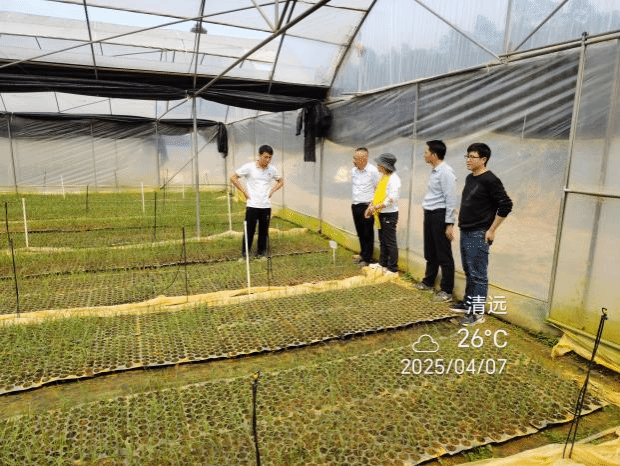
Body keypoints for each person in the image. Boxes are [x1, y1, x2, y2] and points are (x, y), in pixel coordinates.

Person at [452, 143, 513, 326]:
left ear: (483, 159)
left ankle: (477, 313)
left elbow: (506, 204)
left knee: (478, 275)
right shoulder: (470, 178)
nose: (468, 160)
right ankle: (468, 304)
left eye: (472, 157)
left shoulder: (490, 180)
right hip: (466, 230)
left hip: (478, 233)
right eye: (467, 156)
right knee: (469, 271)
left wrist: (492, 229)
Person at [414, 140, 457, 302]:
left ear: (434, 155)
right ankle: (428, 282)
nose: (424, 155)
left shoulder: (446, 172)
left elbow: (451, 199)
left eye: (426, 152)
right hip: (430, 214)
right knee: (430, 251)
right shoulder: (435, 171)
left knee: (443, 253)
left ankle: (447, 290)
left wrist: (449, 224)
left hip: (440, 215)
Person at [230, 144, 284, 260]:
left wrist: (272, 191)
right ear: (259, 156)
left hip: (266, 206)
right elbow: (233, 178)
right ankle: (245, 254)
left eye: (270, 157)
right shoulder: (249, 167)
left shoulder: (272, 169)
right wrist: (244, 192)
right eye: (265, 157)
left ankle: (261, 253)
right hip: (252, 205)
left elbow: (281, 181)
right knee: (249, 230)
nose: (268, 160)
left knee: (263, 231)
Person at [365, 153, 401, 276]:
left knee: (390, 241)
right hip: (380, 213)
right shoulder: (384, 177)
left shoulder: (393, 179)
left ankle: (393, 269)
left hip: (389, 214)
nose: (377, 166)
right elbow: (378, 194)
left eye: (379, 164)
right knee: (383, 240)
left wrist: (375, 207)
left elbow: (391, 199)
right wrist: (371, 206)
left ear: (384, 166)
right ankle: (382, 263)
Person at [351, 147, 380, 267]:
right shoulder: (353, 171)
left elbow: (378, 188)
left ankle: (368, 258)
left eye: (356, 158)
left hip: (367, 206)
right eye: (354, 158)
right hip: (355, 204)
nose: (353, 160)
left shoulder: (373, 171)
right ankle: (362, 254)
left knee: (367, 232)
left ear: (364, 159)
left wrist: (372, 205)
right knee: (360, 231)